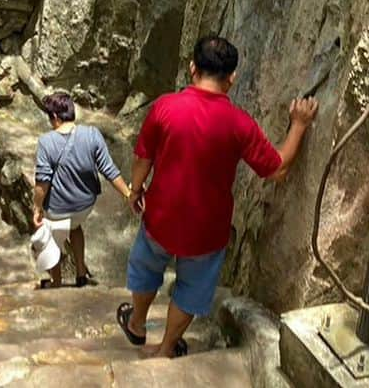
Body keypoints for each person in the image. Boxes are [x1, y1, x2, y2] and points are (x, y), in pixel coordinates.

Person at [116, 35, 319, 358]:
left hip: (161, 216)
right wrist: (298, 124)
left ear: (192, 67)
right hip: (207, 230)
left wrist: (136, 189)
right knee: (191, 288)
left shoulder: (165, 107)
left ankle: (137, 324)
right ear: (232, 78)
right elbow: (277, 169)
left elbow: (143, 157)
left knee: (146, 268)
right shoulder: (239, 124)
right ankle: (166, 350)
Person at [32, 90, 132, 288]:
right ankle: (80, 275)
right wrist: (128, 194)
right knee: (75, 227)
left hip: (58, 209)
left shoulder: (46, 142)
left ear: (54, 117)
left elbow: (42, 184)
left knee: (51, 236)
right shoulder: (92, 134)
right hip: (84, 206)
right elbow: (109, 170)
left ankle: (56, 281)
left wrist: (37, 208)